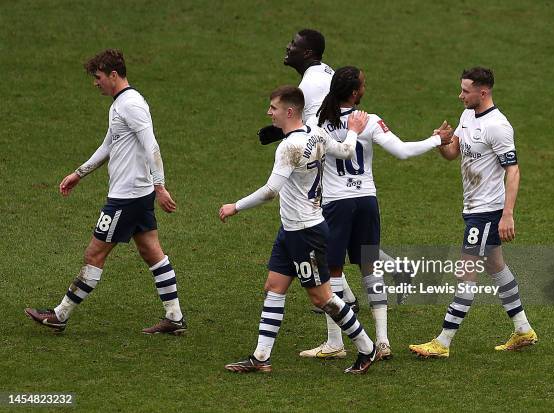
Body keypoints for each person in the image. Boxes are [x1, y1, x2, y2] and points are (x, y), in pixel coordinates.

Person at [24, 49, 186, 335]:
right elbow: (108, 146)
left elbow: (152, 146)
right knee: (152, 252)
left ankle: (60, 314)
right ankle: (174, 317)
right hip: (136, 195)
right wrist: (79, 173)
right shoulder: (119, 104)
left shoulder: (132, 105)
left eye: (98, 77)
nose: (95, 82)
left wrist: (160, 186)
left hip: (127, 198)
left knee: (94, 254)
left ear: (113, 75)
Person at [219, 85, 378, 374]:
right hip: (291, 230)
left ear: (289, 111)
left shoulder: (289, 147)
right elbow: (344, 151)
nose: (269, 113)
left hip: (306, 233)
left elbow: (270, 191)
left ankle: (367, 349)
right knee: (274, 287)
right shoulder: (316, 133)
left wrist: (236, 206)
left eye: (273, 108)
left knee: (323, 298)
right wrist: (353, 129)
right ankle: (261, 357)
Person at [298, 66, 453, 360]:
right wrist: (437, 139)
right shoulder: (369, 121)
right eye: (364, 84)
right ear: (356, 93)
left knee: (331, 274)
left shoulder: (316, 122)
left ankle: (335, 343)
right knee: (370, 267)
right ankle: (383, 341)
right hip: (367, 201)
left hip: (336, 205)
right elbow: (403, 152)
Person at [409, 67, 537, 358]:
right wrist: (442, 141)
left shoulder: (498, 126)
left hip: (487, 212)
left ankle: (442, 342)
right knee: (495, 267)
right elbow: (454, 152)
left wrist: (507, 214)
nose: (460, 95)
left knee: (466, 274)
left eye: (465, 91)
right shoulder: (468, 115)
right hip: (473, 208)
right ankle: (523, 329)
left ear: (483, 92)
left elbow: (513, 171)